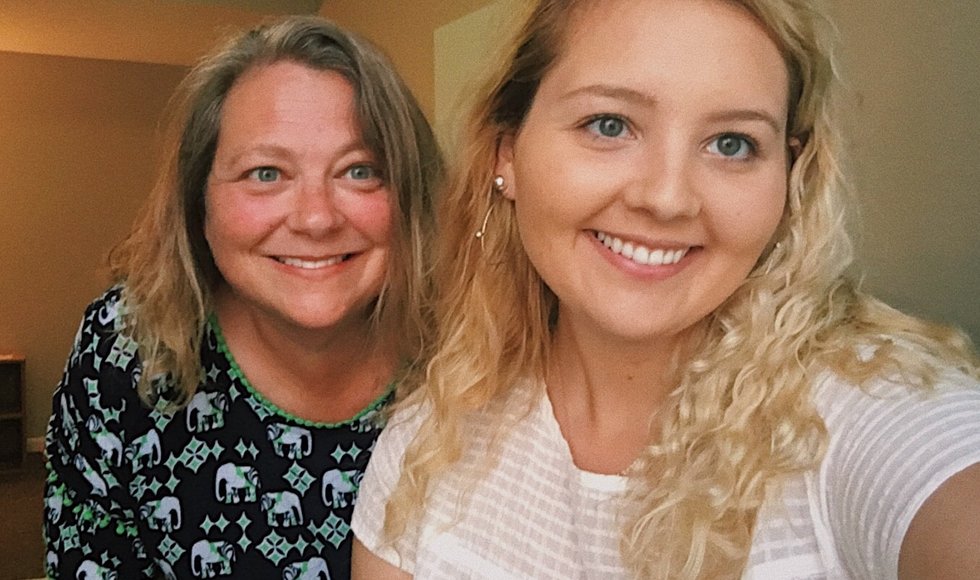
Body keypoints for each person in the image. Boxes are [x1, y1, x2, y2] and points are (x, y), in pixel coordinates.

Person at [350, 0, 980, 578]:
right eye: (609, 124)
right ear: (506, 154)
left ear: (789, 178)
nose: (667, 197)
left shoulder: (870, 413)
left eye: (732, 144)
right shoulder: (428, 443)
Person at [43, 15, 442, 579]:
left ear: (411, 196)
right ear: (199, 202)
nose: (316, 218)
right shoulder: (125, 350)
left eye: (360, 171)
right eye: (266, 173)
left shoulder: (475, 360)